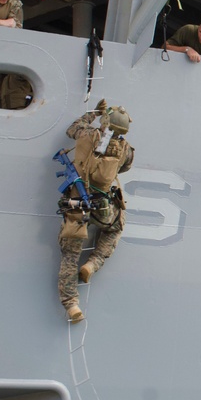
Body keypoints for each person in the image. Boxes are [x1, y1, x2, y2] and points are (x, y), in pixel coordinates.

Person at [57, 99, 135, 323]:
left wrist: (93, 113)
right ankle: (94, 262)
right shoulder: (125, 148)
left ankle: (71, 304)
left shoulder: (85, 134)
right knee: (115, 228)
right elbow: (125, 166)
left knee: (70, 254)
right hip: (102, 205)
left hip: (77, 202)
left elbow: (72, 127)